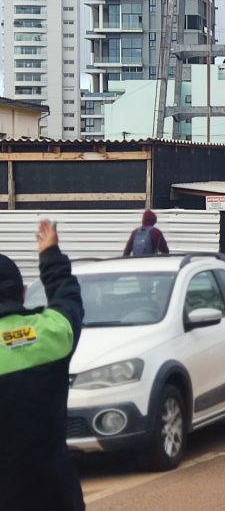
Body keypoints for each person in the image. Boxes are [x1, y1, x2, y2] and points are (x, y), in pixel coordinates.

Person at [0, 219, 85, 510]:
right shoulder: (52, 331)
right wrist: (51, 256)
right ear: (22, 292)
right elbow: (68, 299)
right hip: (58, 495)